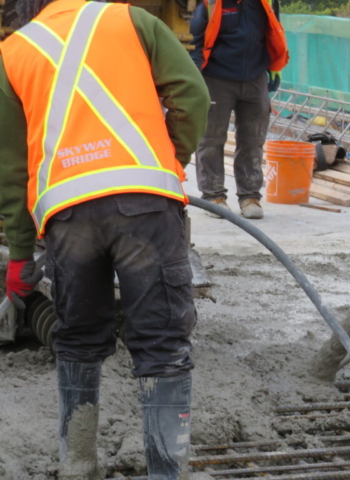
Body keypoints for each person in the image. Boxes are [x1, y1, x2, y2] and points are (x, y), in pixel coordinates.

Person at [0, 0, 210, 477]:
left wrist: (18, 253)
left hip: (68, 214)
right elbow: (192, 95)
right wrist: (165, 158)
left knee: (77, 338)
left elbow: (10, 169)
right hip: (144, 206)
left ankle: (77, 463)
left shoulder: (13, 51)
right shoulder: (132, 20)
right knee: (161, 340)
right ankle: (167, 472)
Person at [189, 0, 289, 220]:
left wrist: (274, 66)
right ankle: (213, 196)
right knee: (211, 139)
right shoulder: (211, 5)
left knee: (253, 140)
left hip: (255, 78)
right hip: (216, 78)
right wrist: (193, 79)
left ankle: (250, 196)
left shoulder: (265, 2)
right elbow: (194, 42)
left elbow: (274, 31)